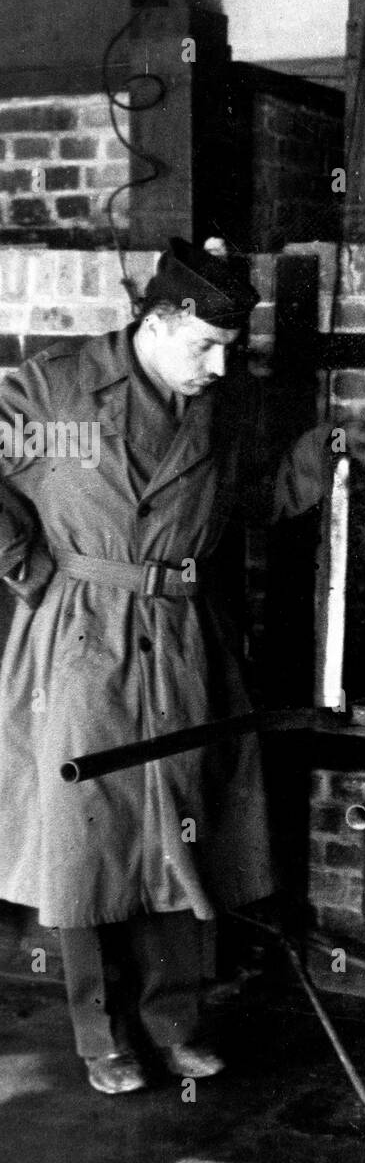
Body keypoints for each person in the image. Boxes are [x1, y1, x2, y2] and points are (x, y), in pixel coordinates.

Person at [0, 239, 276, 1095]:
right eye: (206, 345)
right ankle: (103, 1036)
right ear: (157, 322)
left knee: (182, 827)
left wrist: (323, 461)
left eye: (232, 347)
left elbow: (256, 499)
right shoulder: (52, 388)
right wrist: (25, 563)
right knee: (87, 839)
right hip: (84, 638)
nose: (221, 366)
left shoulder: (221, 411)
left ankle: (179, 1021)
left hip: (184, 634)